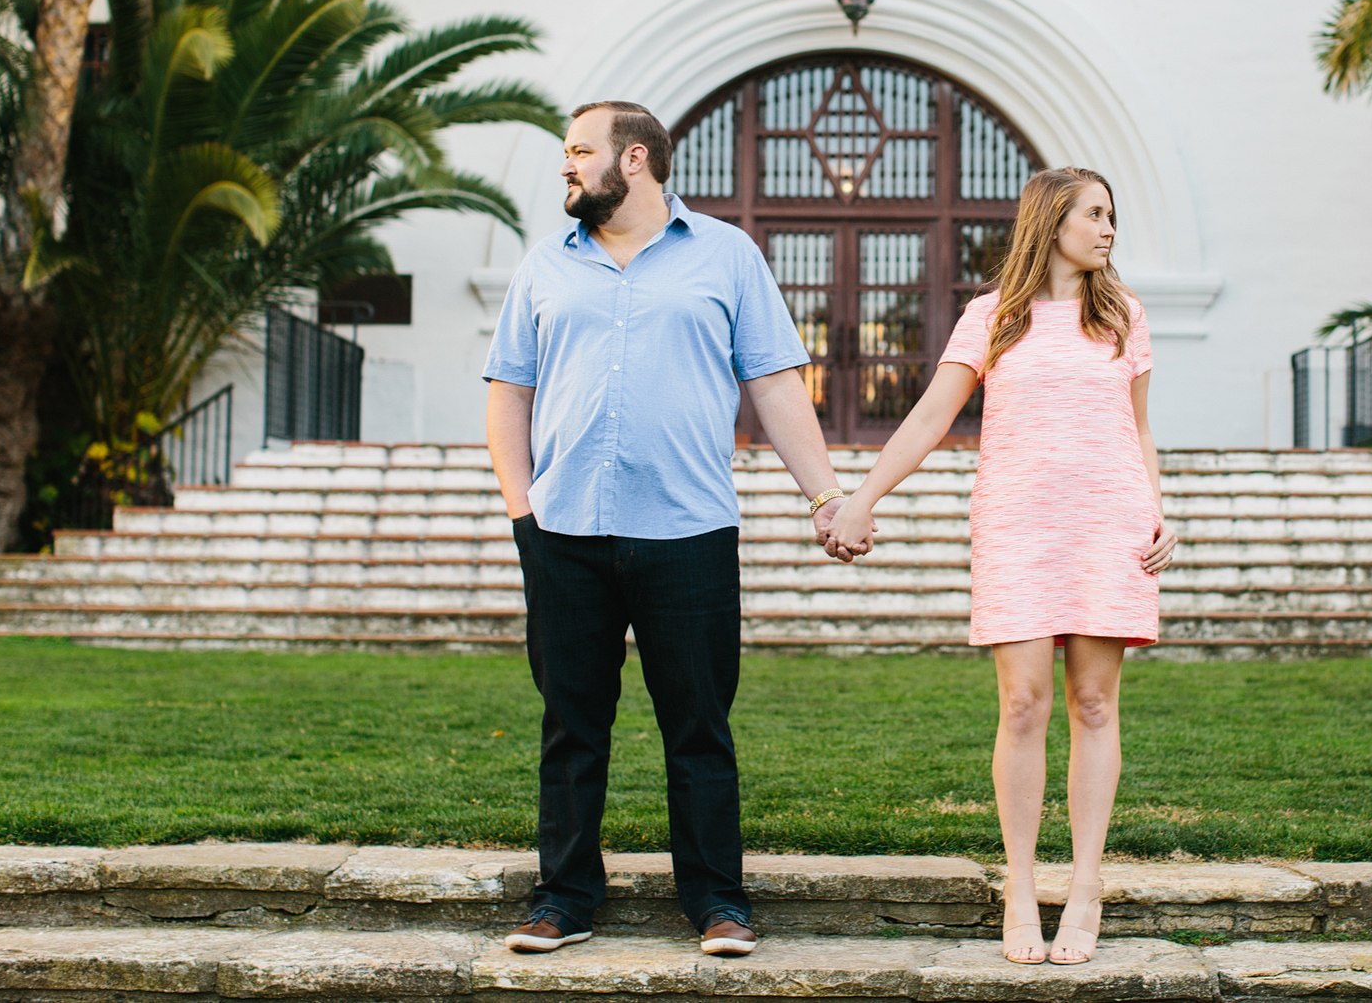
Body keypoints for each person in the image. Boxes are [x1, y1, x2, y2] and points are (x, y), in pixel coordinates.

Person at [484, 100, 864, 959]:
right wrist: (522, 509)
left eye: (580, 151)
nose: (566, 167)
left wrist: (826, 497)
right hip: (566, 531)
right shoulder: (545, 265)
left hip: (689, 533)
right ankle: (566, 896)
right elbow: (509, 390)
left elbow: (774, 383)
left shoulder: (727, 255)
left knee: (699, 724)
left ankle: (717, 900)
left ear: (636, 161)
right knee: (571, 722)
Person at [825, 166, 1176, 966]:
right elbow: (929, 415)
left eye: (1112, 215)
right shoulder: (993, 318)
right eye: (1095, 213)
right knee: (1022, 704)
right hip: (1019, 526)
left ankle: (1084, 887)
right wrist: (862, 498)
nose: (1109, 228)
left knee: (1093, 703)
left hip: (1108, 523)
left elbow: (1140, 428)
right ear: (1053, 220)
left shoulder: (1124, 316)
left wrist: (1161, 511)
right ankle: (1021, 887)